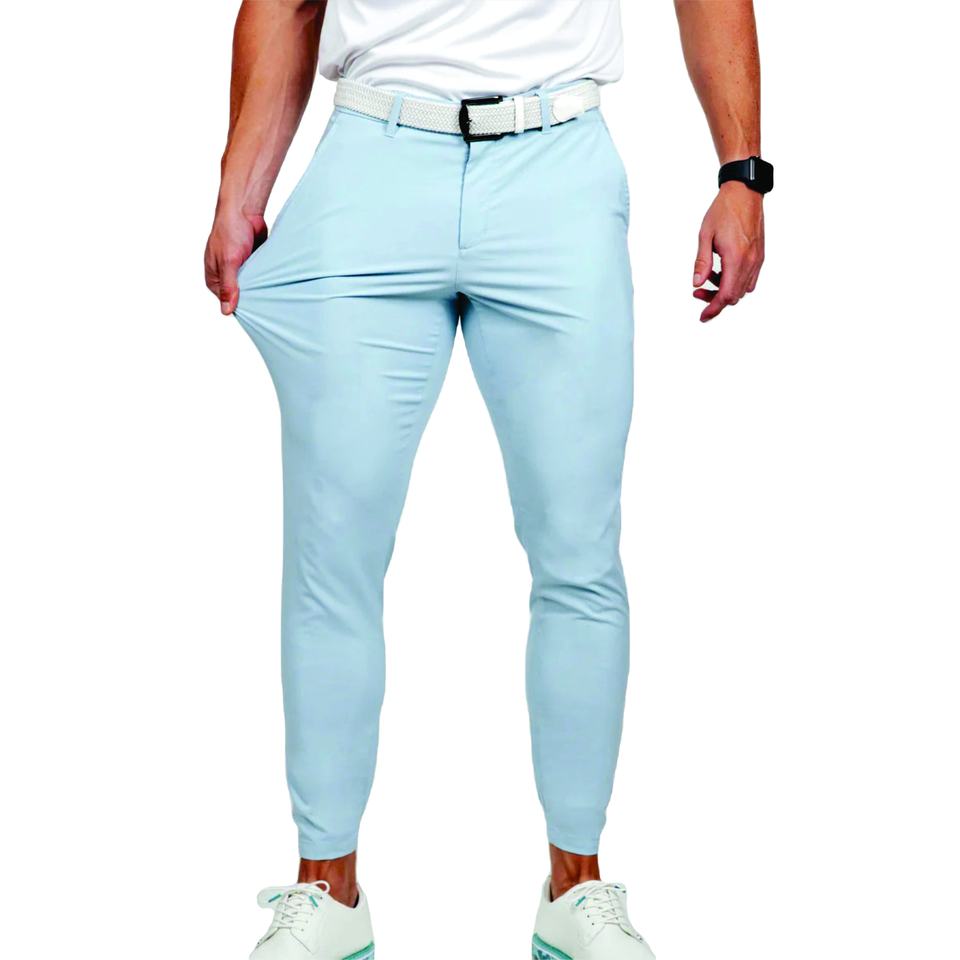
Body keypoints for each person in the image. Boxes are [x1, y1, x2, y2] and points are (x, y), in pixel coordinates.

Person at [203, 2, 770, 958]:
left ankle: (576, 892)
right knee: (332, 555)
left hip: (557, 162)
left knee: (579, 550)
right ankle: (327, 892)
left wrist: (741, 172)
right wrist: (238, 186)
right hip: (373, 161)